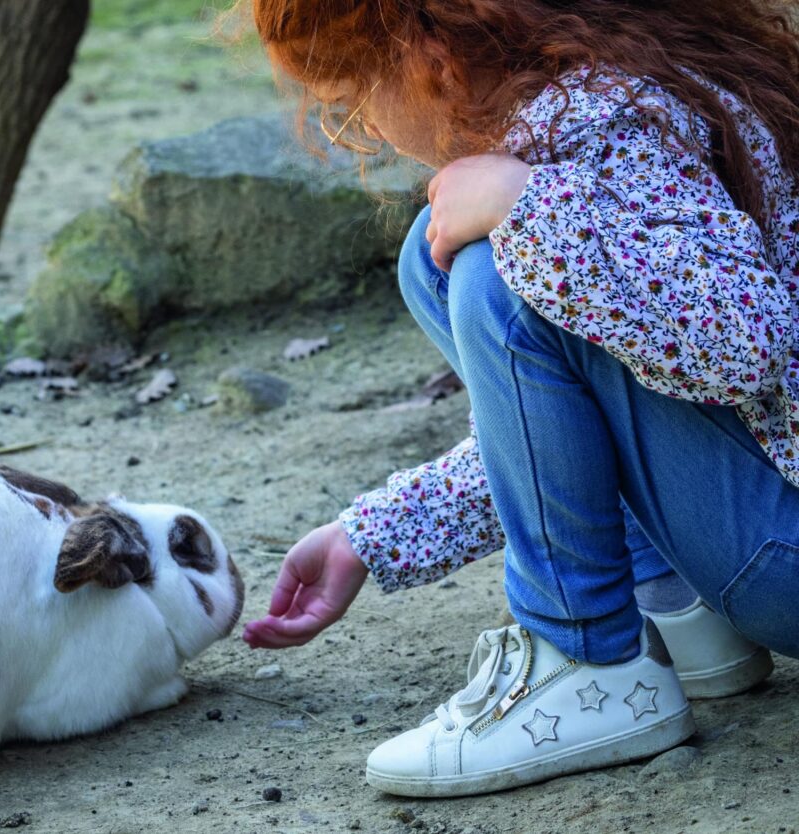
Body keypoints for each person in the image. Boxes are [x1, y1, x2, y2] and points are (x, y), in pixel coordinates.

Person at [238, 0, 799, 798]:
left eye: (351, 100)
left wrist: (528, 208)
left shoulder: (611, 120)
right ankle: (680, 611)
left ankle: (584, 657)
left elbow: (745, 342)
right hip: (771, 515)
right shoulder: (632, 80)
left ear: (432, 55)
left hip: (784, 549)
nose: (360, 131)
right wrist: (372, 535)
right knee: (442, 252)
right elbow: (560, 433)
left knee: (491, 274)